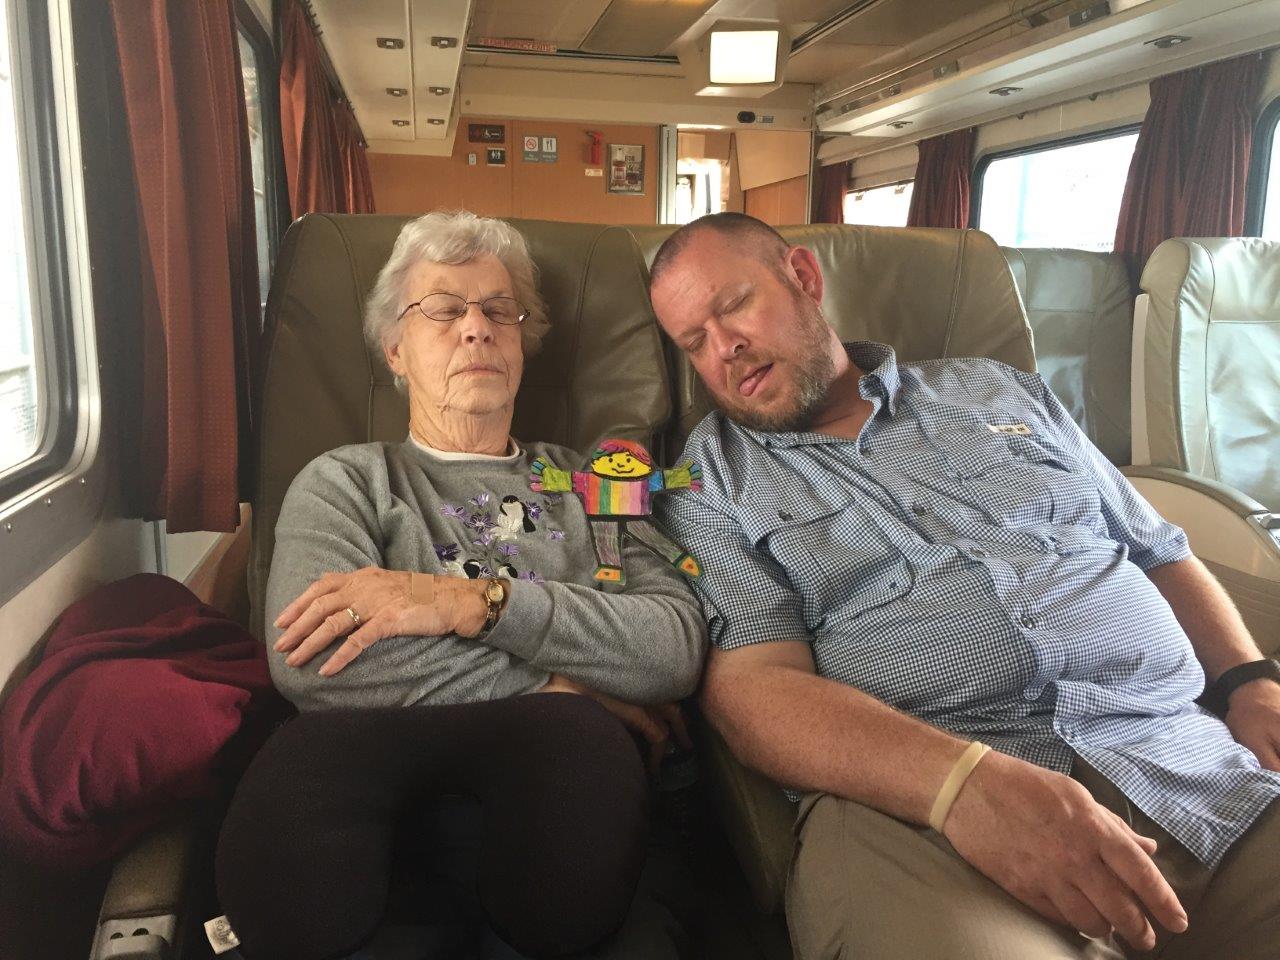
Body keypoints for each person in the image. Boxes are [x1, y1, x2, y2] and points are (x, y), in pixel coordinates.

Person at [648, 212, 1280, 960]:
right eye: (694, 342)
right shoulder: (707, 482)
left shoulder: (1000, 390)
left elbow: (1159, 550)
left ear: (804, 278)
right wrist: (963, 785)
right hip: (926, 816)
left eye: (733, 307)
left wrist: (1249, 681)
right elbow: (754, 690)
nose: (724, 348)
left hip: (1188, 759)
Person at [260, 210, 707, 959]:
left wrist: (474, 604)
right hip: (382, 802)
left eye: (500, 310)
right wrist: (565, 689)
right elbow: (313, 655)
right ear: (395, 349)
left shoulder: (598, 483)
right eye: (443, 310)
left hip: (565, 806)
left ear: (523, 344)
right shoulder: (345, 482)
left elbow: (674, 645)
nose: (477, 329)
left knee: (579, 786)